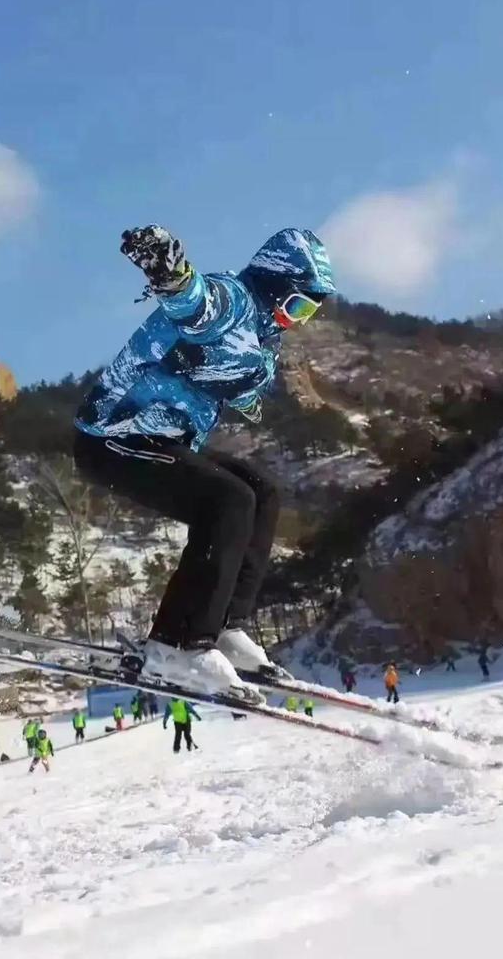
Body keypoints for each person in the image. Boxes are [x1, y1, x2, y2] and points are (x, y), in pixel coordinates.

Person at [73, 225, 335, 700]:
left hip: (163, 439)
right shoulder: (233, 301)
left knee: (261, 490)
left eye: (308, 312)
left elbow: (239, 378)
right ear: (274, 282)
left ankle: (226, 628)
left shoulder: (263, 334)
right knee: (228, 500)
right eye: (297, 305)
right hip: (114, 436)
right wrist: (172, 274)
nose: (298, 319)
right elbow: (196, 303)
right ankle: (179, 645)